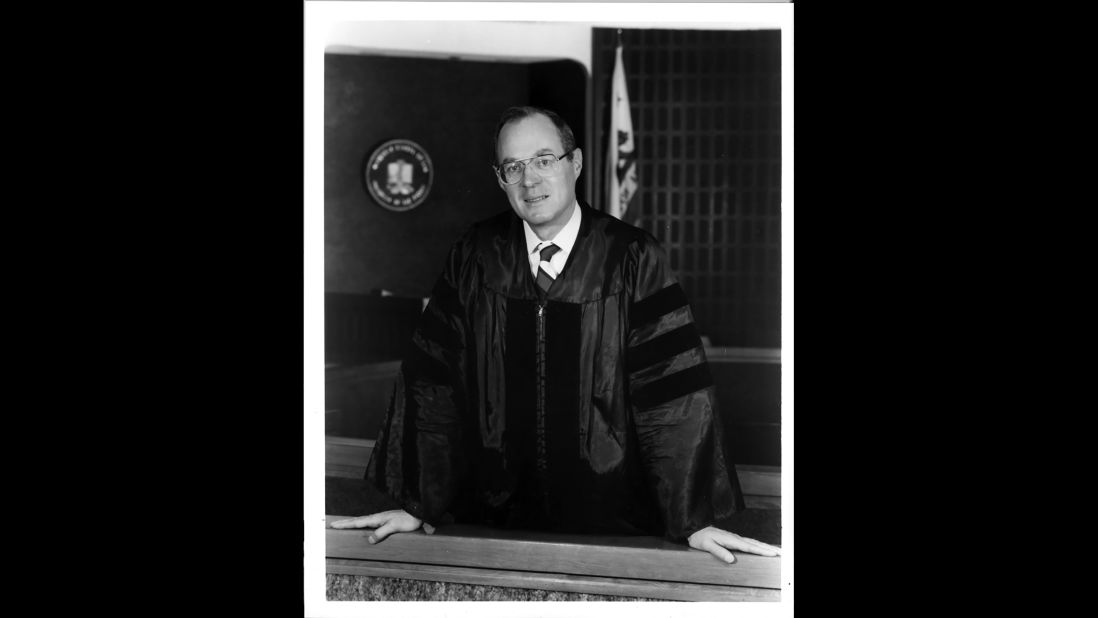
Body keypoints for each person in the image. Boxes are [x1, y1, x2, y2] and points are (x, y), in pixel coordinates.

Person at [331, 106, 780, 564]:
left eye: (545, 160)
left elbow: (670, 396)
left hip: (614, 527)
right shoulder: (475, 256)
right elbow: (435, 386)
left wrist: (692, 518)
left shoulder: (632, 258)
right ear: (500, 178)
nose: (530, 180)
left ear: (576, 164)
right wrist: (418, 501)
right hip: (491, 522)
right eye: (514, 167)